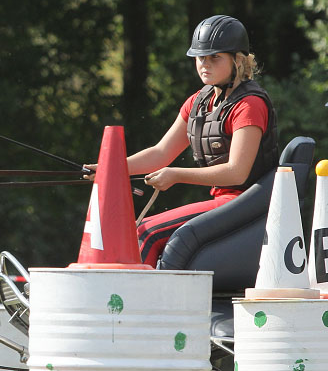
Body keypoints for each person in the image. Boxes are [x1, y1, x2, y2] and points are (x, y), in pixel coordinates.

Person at [88, 15, 280, 268]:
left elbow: (237, 172)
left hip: (244, 203)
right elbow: (160, 152)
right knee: (141, 231)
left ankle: (135, 306)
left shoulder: (249, 105)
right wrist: (109, 168)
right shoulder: (197, 102)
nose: (205, 65)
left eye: (215, 58)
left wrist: (176, 175)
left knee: (146, 232)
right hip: (222, 202)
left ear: (238, 60)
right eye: (201, 58)